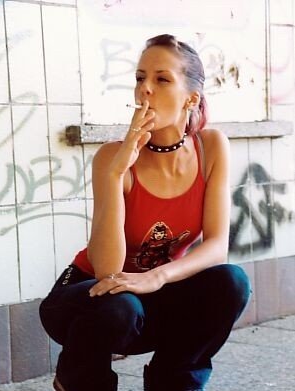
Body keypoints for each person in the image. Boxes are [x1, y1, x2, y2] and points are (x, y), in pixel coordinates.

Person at [39, 34, 251, 391]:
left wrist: (157, 277)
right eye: (140, 78)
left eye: (161, 79)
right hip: (86, 299)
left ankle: (175, 382)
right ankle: (78, 379)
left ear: (192, 98)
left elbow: (217, 246)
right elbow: (108, 272)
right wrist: (116, 172)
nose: (144, 90)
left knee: (231, 282)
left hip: (151, 294)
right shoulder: (111, 157)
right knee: (120, 306)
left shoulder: (212, 147)